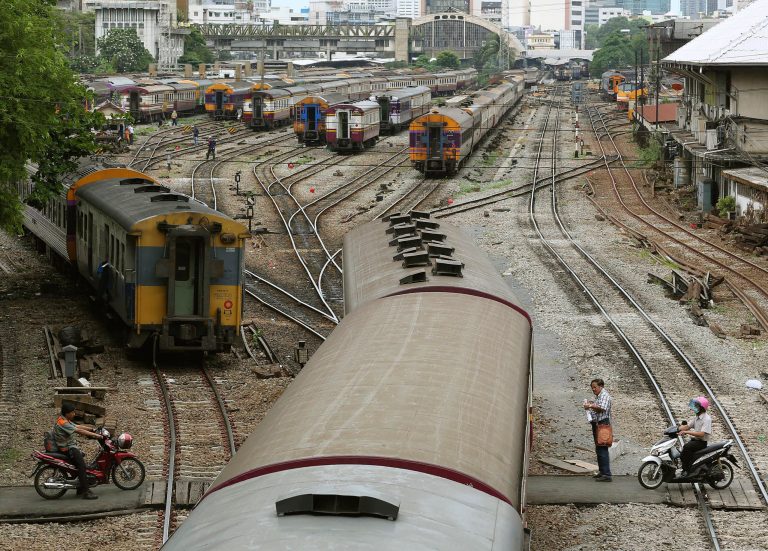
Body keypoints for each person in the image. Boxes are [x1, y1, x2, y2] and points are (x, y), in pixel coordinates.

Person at [53, 402, 104, 499]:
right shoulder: (63, 423)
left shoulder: (63, 419)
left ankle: (79, 488)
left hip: (69, 447)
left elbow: (77, 426)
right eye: (72, 412)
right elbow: (78, 431)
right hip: (68, 449)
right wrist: (97, 436)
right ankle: (86, 492)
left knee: (79, 465)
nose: (74, 414)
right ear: (67, 413)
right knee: (82, 467)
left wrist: (93, 429)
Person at [584, 378, 613, 482]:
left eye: (595, 387)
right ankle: (602, 471)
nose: (593, 389)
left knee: (602, 449)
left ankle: (606, 474)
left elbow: (602, 408)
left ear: (601, 386)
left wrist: (591, 405)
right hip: (598, 424)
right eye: (592, 388)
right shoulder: (599, 396)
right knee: (599, 449)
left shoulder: (604, 395)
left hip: (603, 424)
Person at [678, 396, 712, 476]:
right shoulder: (697, 417)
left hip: (701, 442)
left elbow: (701, 434)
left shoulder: (706, 419)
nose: (694, 407)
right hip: (696, 441)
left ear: (701, 408)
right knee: (682, 452)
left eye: (696, 406)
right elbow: (688, 426)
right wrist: (677, 428)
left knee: (686, 448)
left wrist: (686, 432)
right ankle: (689, 467)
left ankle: (686, 470)